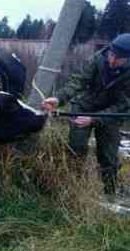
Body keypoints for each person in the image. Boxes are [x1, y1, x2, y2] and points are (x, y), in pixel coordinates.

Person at [42, 33, 130, 198]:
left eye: (118, 59)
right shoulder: (97, 59)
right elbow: (78, 81)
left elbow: (123, 106)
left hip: (111, 115)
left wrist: (95, 119)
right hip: (83, 107)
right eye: (111, 55)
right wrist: (59, 98)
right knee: (76, 149)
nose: (111, 61)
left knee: (108, 157)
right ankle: (73, 190)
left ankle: (110, 194)